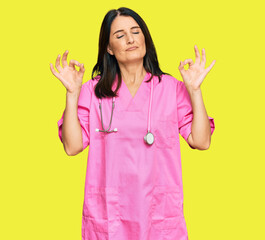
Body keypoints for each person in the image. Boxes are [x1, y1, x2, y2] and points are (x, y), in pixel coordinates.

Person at [50, 7, 215, 240]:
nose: (130, 39)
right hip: (110, 215)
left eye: (136, 32)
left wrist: (195, 91)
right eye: (119, 35)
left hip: (158, 214)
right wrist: (72, 94)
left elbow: (201, 140)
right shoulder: (93, 91)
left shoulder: (171, 88)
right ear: (108, 48)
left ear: (145, 38)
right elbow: (72, 146)